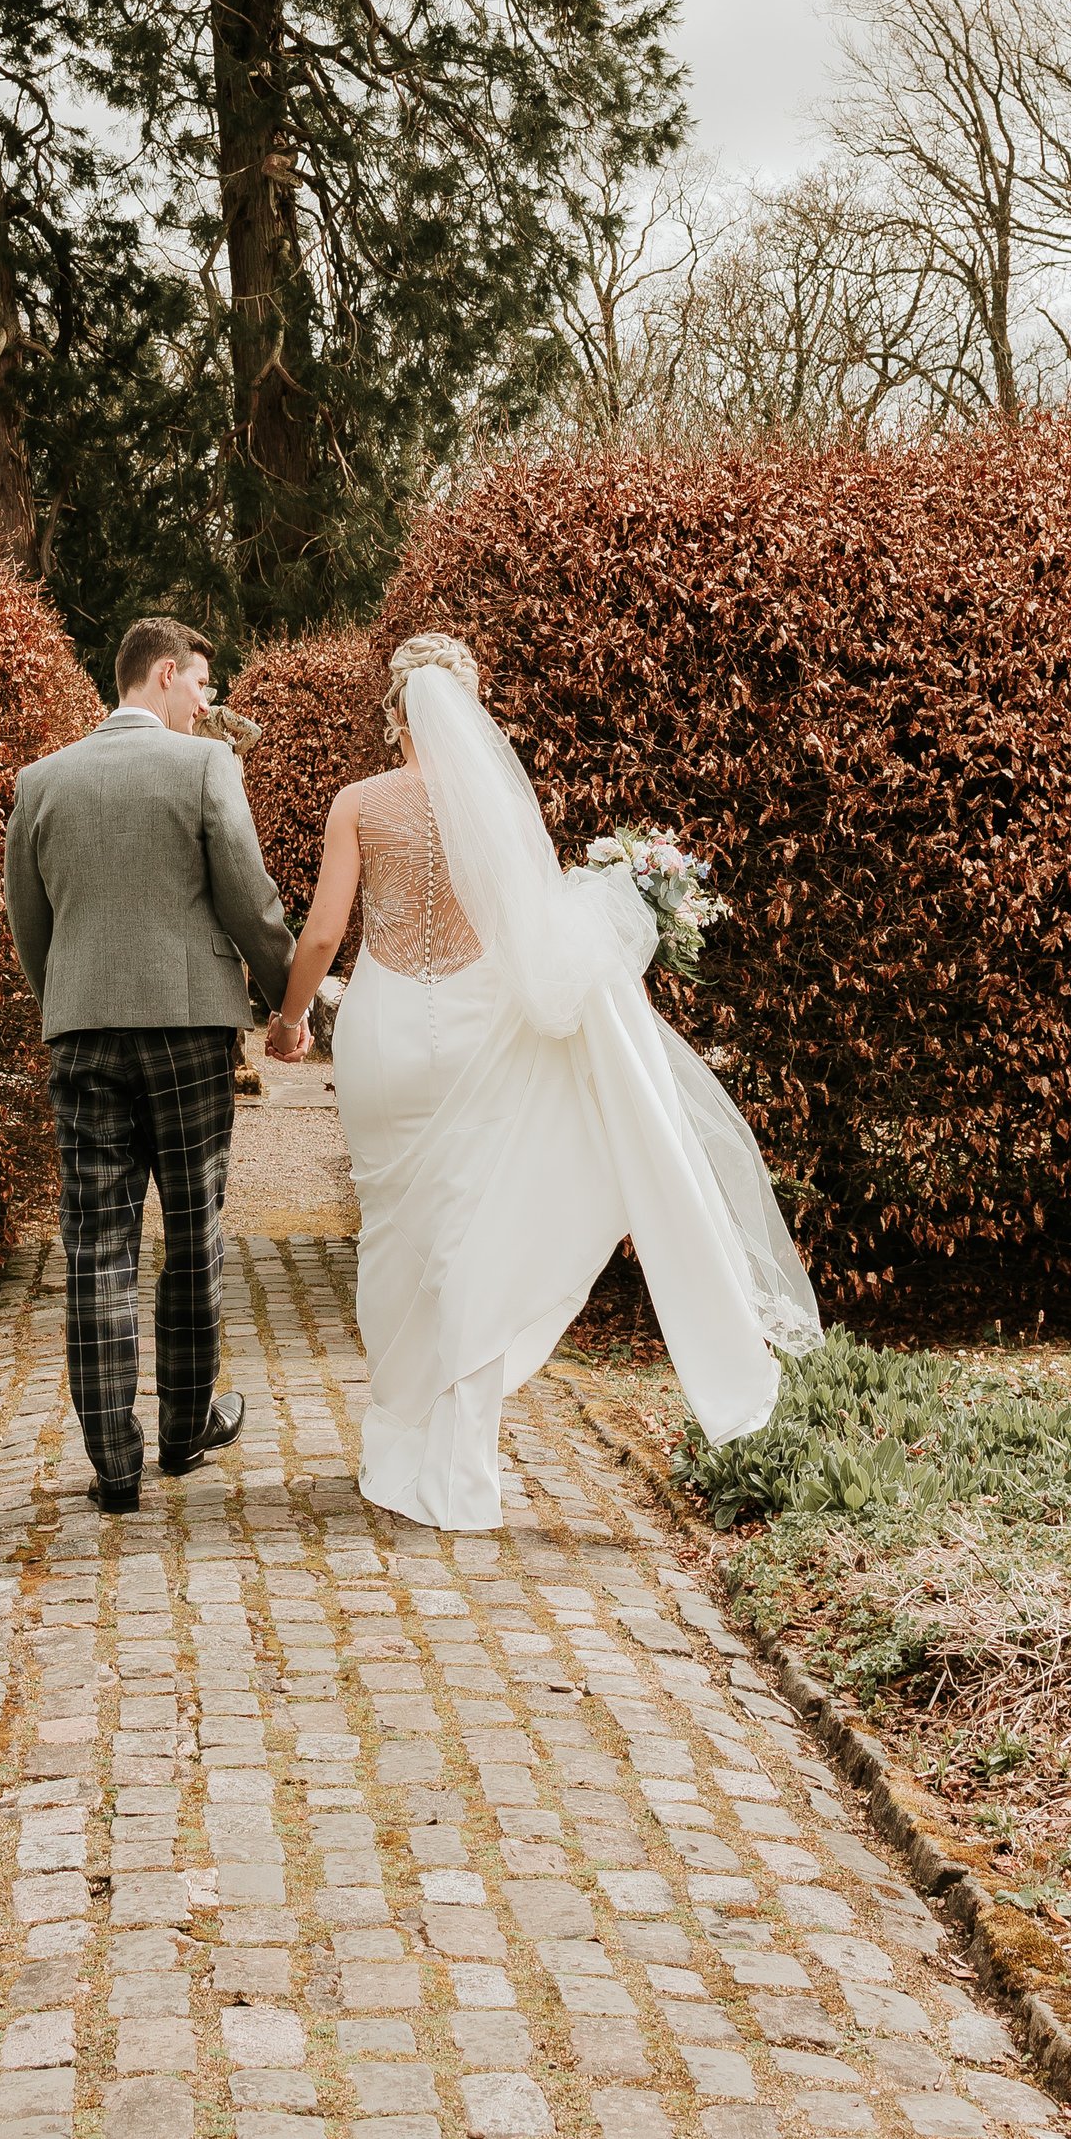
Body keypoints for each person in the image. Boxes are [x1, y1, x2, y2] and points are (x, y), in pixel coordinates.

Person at [268, 631, 821, 1532]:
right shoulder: (498, 812)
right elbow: (531, 935)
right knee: (470, 1236)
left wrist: (289, 1020)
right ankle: (460, 1463)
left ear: (395, 712)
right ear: (470, 708)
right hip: (482, 1033)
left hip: (387, 1031)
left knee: (396, 1231)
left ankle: (401, 1429)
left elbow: (325, 937)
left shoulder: (359, 803)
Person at [5, 614, 294, 1513]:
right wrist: (287, 993)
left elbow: (28, 922)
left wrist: (69, 1002)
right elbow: (250, 900)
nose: (210, 705)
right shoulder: (206, 768)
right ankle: (184, 1430)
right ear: (164, 675)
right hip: (188, 1032)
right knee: (194, 1231)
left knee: (95, 1247)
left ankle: (113, 1466)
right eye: (203, 685)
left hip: (83, 1032)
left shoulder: (41, 781)